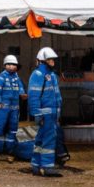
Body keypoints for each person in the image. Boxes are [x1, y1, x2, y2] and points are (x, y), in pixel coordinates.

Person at [28, 47, 62, 177]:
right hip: (45, 113)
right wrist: (37, 114)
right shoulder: (38, 75)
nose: (52, 61)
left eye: (53, 59)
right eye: (49, 59)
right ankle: (47, 167)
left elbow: (56, 96)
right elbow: (34, 96)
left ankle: (36, 166)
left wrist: (58, 112)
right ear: (42, 61)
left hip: (51, 113)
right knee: (48, 140)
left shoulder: (51, 75)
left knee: (40, 139)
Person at [0, 55, 26, 163]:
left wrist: (22, 94)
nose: (11, 67)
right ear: (5, 65)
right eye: (9, 65)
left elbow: (21, 89)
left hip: (14, 108)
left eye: (13, 65)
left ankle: (10, 152)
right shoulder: (0, 78)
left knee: (13, 129)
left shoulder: (17, 78)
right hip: (3, 108)